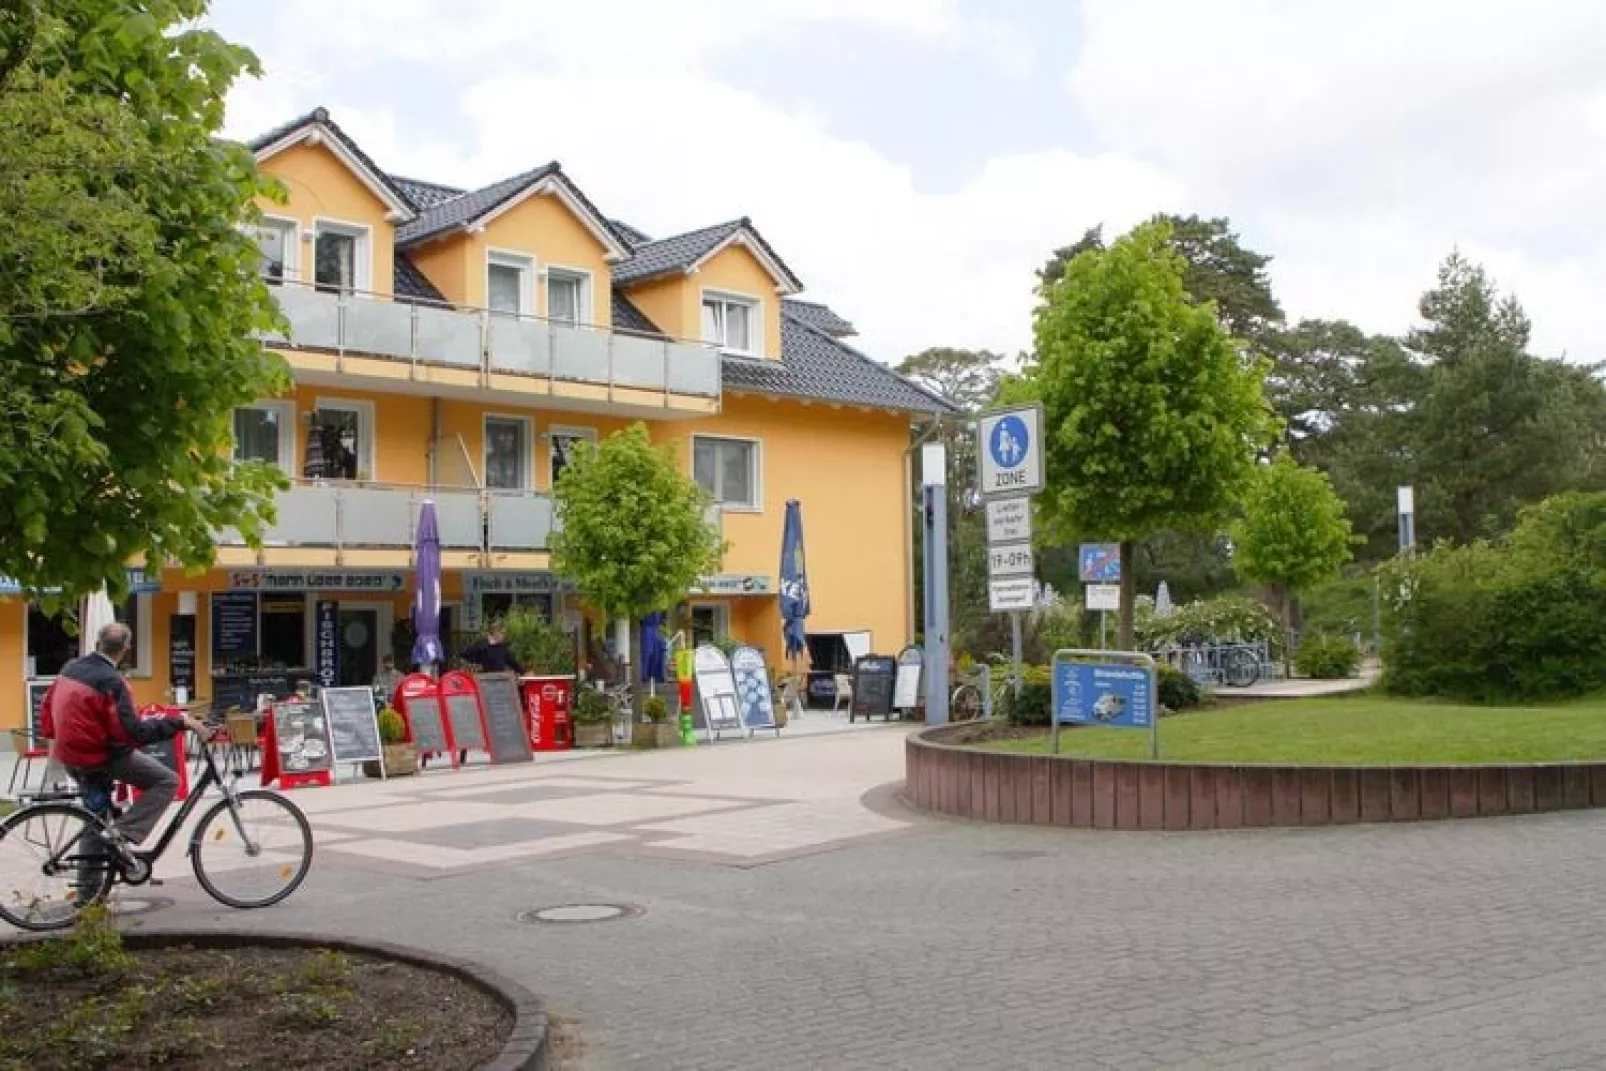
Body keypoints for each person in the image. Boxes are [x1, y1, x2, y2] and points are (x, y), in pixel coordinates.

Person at [40, 623, 207, 875]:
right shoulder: (112, 681)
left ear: (98, 642)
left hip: (71, 753)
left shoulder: (70, 668)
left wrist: (56, 737)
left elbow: (47, 705)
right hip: (98, 755)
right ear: (126, 648)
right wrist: (180, 722)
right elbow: (132, 733)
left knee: (95, 818)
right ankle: (122, 833)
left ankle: (91, 895)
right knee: (167, 781)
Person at [454, 624, 525, 764]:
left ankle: (502, 747)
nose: (503, 636)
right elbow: (465, 653)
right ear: (494, 633)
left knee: (499, 717)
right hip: (484, 684)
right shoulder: (482, 644)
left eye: (504, 634)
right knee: (481, 717)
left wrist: (524, 672)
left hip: (500, 685)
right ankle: (470, 750)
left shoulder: (502, 648)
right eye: (501, 633)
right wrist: (477, 661)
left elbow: (512, 662)